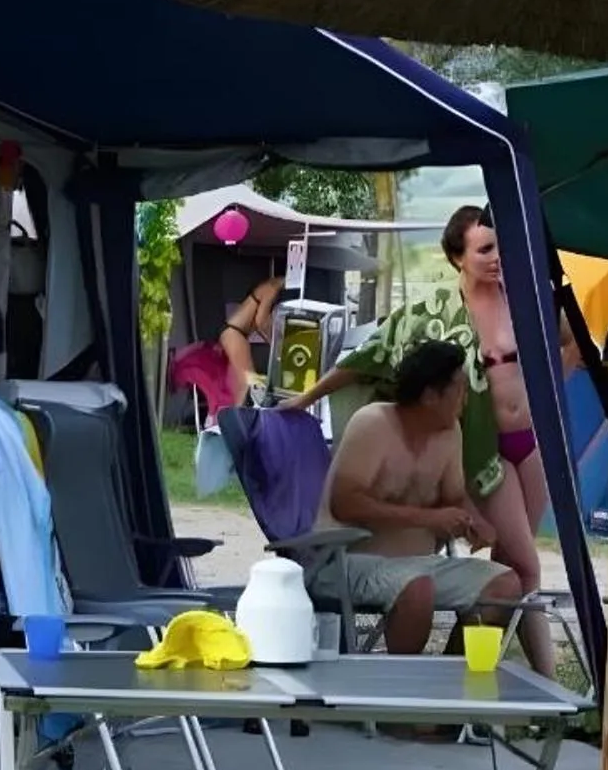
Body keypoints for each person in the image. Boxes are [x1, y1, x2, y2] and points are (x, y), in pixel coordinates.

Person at [279, 207, 576, 675]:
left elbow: (574, 337)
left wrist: (551, 388)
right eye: (485, 249)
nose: (498, 258)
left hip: (530, 439)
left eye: (502, 247)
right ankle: (545, 680)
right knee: (524, 564)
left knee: (513, 566)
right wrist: (307, 397)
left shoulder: (527, 299)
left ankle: (478, 677)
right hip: (484, 446)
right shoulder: (434, 311)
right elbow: (369, 354)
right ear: (457, 257)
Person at [314, 340, 524, 659]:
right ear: (430, 395)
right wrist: (428, 519)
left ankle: (453, 685)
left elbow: (453, 499)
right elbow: (344, 504)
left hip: (418, 566)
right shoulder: (373, 423)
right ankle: (399, 698)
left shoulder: (449, 431)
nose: (465, 400)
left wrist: (475, 522)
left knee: (504, 586)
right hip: (347, 562)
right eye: (459, 391)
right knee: (417, 588)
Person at [216, 274, 286, 404]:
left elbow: (259, 322)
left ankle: (241, 417)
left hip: (233, 333)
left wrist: (272, 340)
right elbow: (261, 321)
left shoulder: (266, 287)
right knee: (252, 383)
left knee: (245, 385)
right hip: (235, 333)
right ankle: (249, 416)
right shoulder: (271, 288)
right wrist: (275, 342)